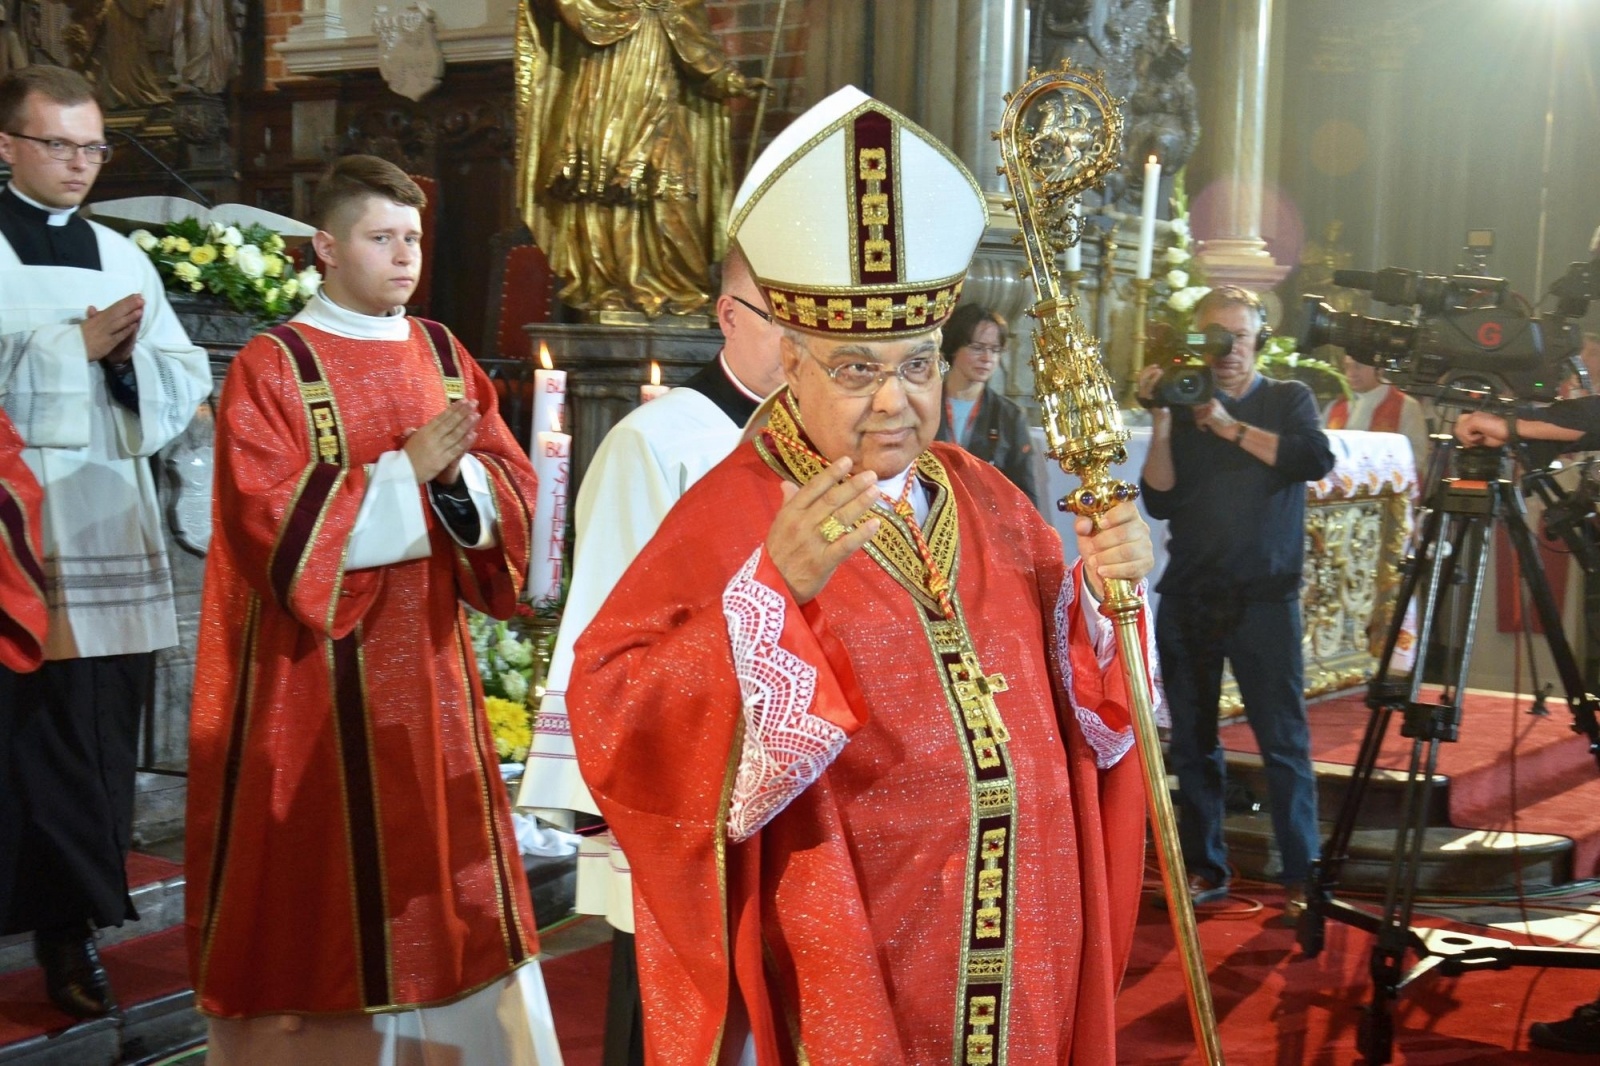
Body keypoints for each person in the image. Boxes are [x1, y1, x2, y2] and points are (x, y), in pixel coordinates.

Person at [566, 86, 1154, 1064]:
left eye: (918, 365)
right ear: (790, 365)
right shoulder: (733, 508)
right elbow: (618, 716)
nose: (896, 399)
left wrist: (1101, 596)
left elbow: (1084, 698)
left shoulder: (987, 497)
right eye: (856, 368)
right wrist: (765, 599)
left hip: (1021, 932)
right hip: (854, 933)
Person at [184, 155, 561, 1064]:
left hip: (427, 665)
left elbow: (509, 482)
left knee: (443, 869)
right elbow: (264, 521)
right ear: (326, 246)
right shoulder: (275, 366)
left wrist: (464, 482)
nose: (404, 258)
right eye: (380, 238)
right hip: (311, 679)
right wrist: (405, 477)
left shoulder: (440, 350)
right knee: (326, 880)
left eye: (414, 240)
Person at [518, 241, 785, 1065]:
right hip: (681, 787)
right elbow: (610, 639)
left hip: (787, 786)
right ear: (729, 316)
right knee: (672, 1023)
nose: (806, 342)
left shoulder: (821, 443)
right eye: (783, 318)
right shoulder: (659, 441)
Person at [0, 64, 210, 1019]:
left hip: (103, 519)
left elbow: (177, 374)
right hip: (16, 528)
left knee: (92, 735)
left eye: (92, 146)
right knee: (18, 733)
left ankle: (70, 928)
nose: (80, 164)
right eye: (58, 144)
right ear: (8, 146)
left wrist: (129, 364)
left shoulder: (126, 258)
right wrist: (67, 351)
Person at [1136, 284, 1335, 925]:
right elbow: (1160, 498)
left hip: (1265, 599)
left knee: (1283, 743)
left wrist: (1227, 426)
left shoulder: (1287, 398)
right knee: (1192, 744)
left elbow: (1313, 458)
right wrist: (1165, 418)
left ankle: (1302, 875)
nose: (1225, 352)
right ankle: (1205, 867)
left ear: (1259, 342)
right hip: (1192, 594)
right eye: (1212, 338)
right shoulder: (1184, 397)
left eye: (1238, 338)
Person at [516, 0, 758, 316]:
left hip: (659, 113)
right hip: (603, 106)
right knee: (605, 195)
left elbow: (698, 55)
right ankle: (610, 288)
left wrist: (733, 81)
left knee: (673, 197)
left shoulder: (677, 4)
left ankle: (683, 289)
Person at [934, 303, 1041, 507]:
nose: (987, 358)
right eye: (977, 348)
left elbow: (1025, 494)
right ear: (953, 347)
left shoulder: (1009, 416)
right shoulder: (924, 404)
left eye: (995, 350)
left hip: (986, 524)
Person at [1322, 353, 1430, 484]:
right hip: (1337, 490)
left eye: (1358, 367)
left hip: (1384, 491)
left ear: (1380, 368)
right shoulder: (1335, 407)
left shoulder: (1406, 407)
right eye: (1347, 367)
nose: (1351, 373)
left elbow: (1416, 456)